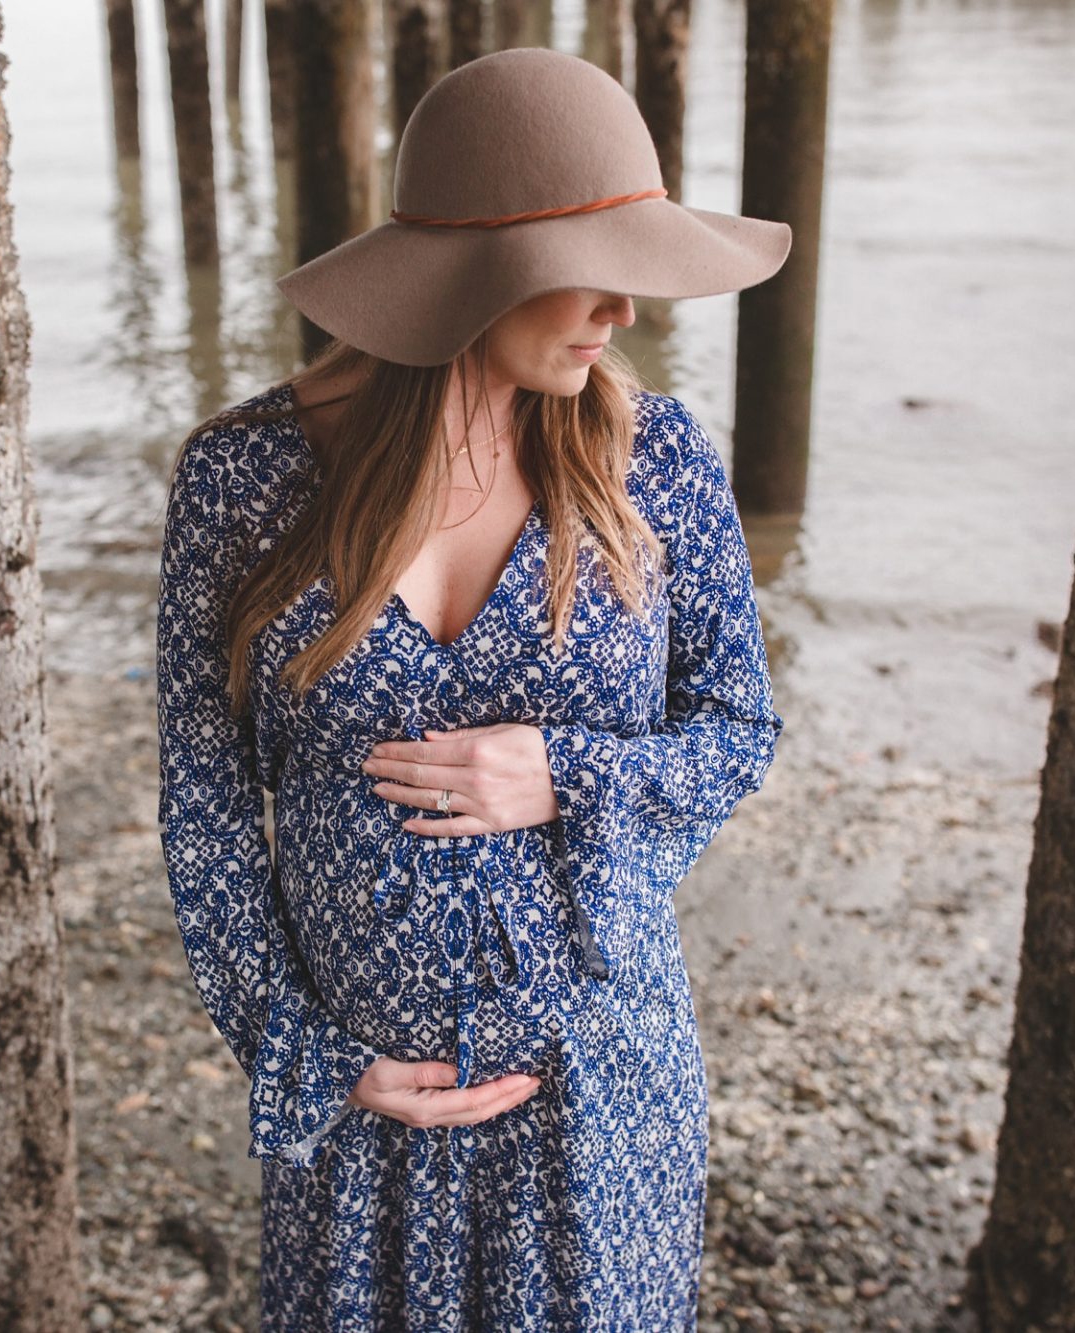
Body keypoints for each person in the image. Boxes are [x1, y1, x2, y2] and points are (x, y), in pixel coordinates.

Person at [155, 46, 791, 1330]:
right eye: (592, 270)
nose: (625, 311)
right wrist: (310, 1054)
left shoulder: (650, 458)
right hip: (367, 1104)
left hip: (598, 1088)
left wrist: (564, 771)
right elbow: (207, 809)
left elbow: (735, 727)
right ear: (477, 272)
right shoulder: (243, 479)